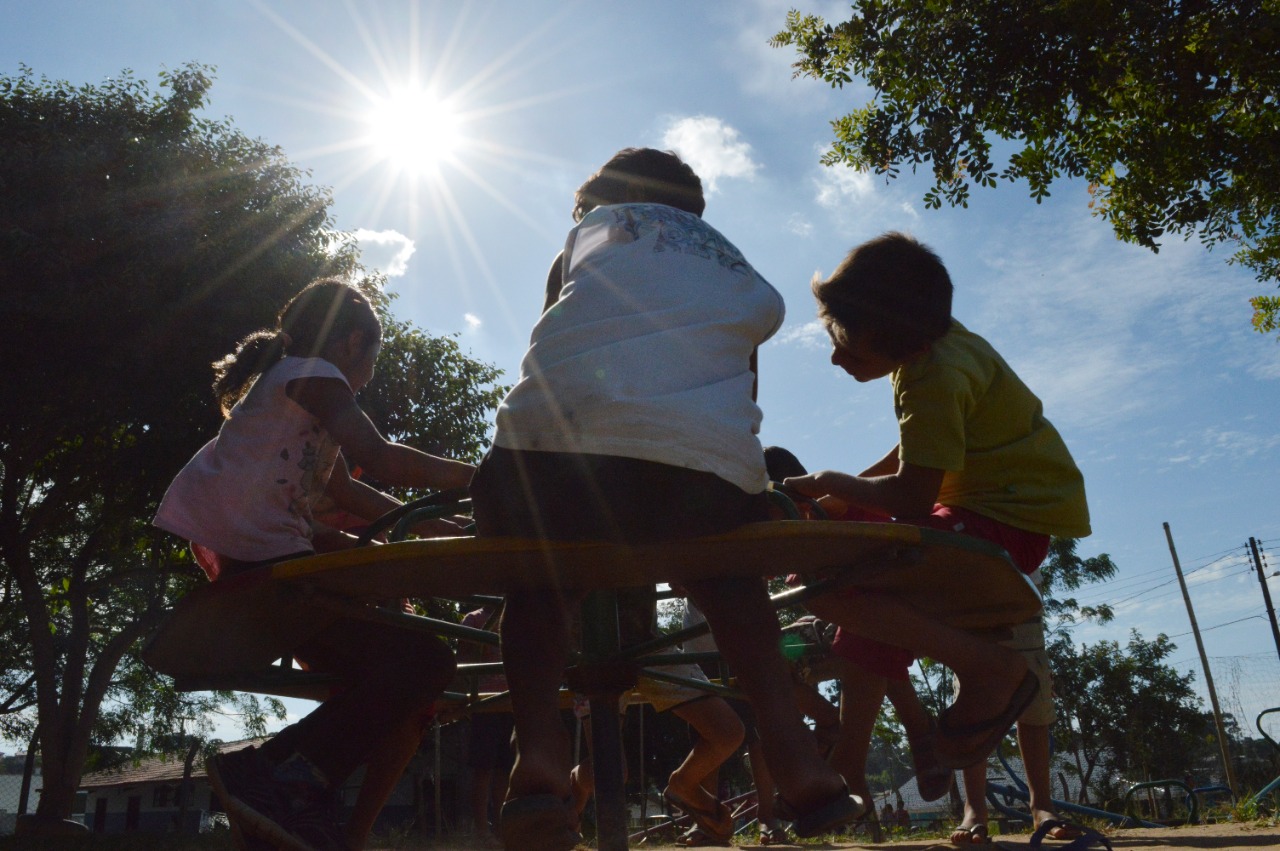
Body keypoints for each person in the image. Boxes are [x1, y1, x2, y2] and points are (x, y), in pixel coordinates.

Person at [469, 148, 863, 851]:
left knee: (538, 577)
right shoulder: (730, 263)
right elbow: (743, 394)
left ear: (599, 200)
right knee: (728, 579)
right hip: (695, 474)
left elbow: (555, 343)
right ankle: (797, 757)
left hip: (554, 461)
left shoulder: (591, 236)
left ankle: (540, 756)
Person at [154, 280, 475, 851]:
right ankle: (273, 771)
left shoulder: (294, 388)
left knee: (393, 678)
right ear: (354, 343)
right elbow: (378, 456)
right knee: (425, 659)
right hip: (267, 557)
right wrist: (480, 477)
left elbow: (349, 490)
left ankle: (294, 809)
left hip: (259, 553)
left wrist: (432, 524)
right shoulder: (314, 374)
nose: (371, 376)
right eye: (375, 358)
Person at [783, 232, 1090, 804]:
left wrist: (830, 484)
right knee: (860, 593)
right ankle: (850, 759)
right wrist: (846, 505)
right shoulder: (937, 350)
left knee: (826, 586)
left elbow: (910, 497)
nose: (835, 354)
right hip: (988, 512)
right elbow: (914, 454)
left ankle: (989, 670)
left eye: (847, 340)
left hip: (1001, 525)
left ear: (893, 331)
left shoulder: (936, 375)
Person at [459, 604, 513, 849]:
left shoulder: (513, 615)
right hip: (485, 701)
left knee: (505, 769)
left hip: (510, 702)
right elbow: (463, 658)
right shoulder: (474, 619)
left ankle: (502, 830)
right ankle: (481, 829)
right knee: (484, 767)